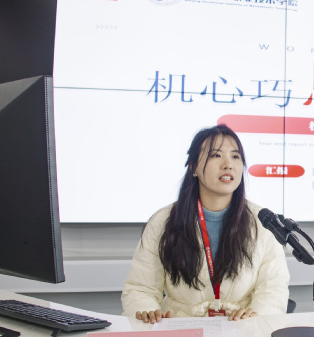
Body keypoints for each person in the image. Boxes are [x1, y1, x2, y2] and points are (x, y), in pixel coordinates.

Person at [121, 124, 289, 322]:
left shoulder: (262, 222)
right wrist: (148, 312)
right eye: (216, 155)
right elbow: (141, 289)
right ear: (193, 166)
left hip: (241, 329)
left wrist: (255, 317)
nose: (228, 164)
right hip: (181, 328)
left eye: (235, 156)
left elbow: (273, 287)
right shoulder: (163, 221)